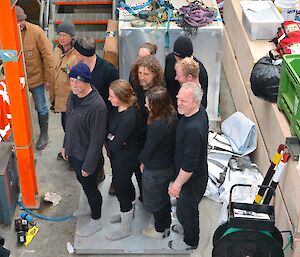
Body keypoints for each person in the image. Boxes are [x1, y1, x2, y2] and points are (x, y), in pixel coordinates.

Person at [62, 63, 107, 237]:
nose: (73, 84)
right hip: (74, 151)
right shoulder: (73, 96)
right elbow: (69, 124)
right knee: (83, 183)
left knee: (91, 190)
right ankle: (88, 207)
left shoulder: (97, 106)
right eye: (71, 80)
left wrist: (88, 166)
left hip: (87, 157)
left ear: (87, 82)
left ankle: (96, 220)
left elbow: (96, 141)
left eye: (77, 81)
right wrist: (66, 145)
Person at [168, 82, 208, 251]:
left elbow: (190, 165)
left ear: (196, 102)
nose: (178, 104)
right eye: (178, 99)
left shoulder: (194, 128)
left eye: (184, 101)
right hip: (189, 176)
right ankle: (185, 227)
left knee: (189, 212)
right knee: (184, 211)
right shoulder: (197, 113)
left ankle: (190, 242)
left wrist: (177, 184)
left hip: (191, 181)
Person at [73, 37, 119, 183]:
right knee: (93, 150)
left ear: (82, 53)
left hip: (107, 119)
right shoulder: (78, 67)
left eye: (76, 50)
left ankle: (115, 180)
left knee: (112, 152)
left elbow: (118, 95)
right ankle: (98, 172)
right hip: (87, 121)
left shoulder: (107, 70)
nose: (74, 52)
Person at [139, 86, 177, 240]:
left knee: (156, 200)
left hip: (155, 169)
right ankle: (166, 223)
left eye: (149, 104)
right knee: (163, 197)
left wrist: (141, 160)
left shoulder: (157, 125)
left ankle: (159, 229)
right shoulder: (172, 115)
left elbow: (149, 149)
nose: (146, 106)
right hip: (168, 164)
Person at [16, 6, 54, 150]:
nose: (19, 24)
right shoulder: (7, 33)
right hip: (18, 81)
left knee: (41, 107)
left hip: (36, 80)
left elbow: (48, 57)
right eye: (16, 22)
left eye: (21, 21)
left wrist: (48, 80)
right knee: (20, 109)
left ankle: (44, 134)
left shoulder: (36, 32)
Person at [106, 79, 140, 241]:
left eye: (112, 96)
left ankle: (126, 227)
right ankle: (128, 213)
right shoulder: (116, 109)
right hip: (120, 156)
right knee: (125, 185)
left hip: (125, 159)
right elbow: (111, 136)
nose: (109, 98)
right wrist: (113, 137)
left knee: (121, 188)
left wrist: (112, 138)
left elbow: (115, 144)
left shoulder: (129, 117)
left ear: (120, 97)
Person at [129, 55, 166, 201]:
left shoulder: (160, 92)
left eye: (146, 74)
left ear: (155, 74)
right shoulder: (135, 85)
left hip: (151, 135)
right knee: (137, 169)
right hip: (136, 135)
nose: (142, 77)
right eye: (139, 73)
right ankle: (143, 196)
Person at [50, 21, 77, 159]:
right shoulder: (57, 50)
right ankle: (67, 150)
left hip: (71, 101)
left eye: (65, 35)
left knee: (72, 129)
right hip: (60, 100)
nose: (61, 38)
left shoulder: (75, 57)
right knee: (66, 127)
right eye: (59, 35)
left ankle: (72, 156)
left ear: (72, 37)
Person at [164, 36, 208, 109]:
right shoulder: (170, 59)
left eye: (182, 59)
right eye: (177, 58)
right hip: (171, 106)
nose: (179, 62)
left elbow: (202, 102)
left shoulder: (200, 73)